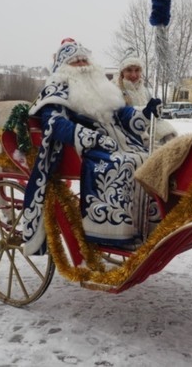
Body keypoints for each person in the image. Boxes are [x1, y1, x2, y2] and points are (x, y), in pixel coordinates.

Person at [22, 38, 162, 255]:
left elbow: (119, 114)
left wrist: (144, 113)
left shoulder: (101, 87)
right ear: (64, 67)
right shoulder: (57, 89)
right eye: (76, 62)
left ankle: (148, 225)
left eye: (84, 60)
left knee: (150, 159)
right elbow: (54, 123)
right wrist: (91, 137)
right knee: (123, 165)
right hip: (86, 149)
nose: (83, 66)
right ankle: (114, 233)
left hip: (119, 143)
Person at [116, 52, 177, 147]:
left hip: (148, 138)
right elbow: (117, 119)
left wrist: (168, 134)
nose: (133, 74)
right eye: (129, 70)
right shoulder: (115, 90)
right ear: (122, 72)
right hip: (125, 141)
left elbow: (154, 120)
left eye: (137, 70)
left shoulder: (145, 91)